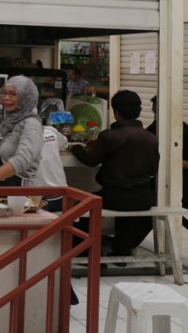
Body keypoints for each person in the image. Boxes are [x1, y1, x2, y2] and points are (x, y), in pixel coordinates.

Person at [71, 90, 159, 257]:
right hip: (143, 198)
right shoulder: (151, 138)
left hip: (114, 197)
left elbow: (91, 160)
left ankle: (87, 252)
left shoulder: (109, 136)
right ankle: (121, 250)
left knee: (78, 208)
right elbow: (154, 168)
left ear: (116, 112)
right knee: (128, 210)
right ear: (139, 111)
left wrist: (76, 148)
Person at [0, 75, 44, 186]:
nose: (6, 98)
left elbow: (23, 160)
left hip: (20, 190)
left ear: (25, 98)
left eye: (13, 94)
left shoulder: (32, 124)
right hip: (1, 189)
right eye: (4, 93)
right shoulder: (9, 122)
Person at [146, 95, 188, 228]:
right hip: (158, 182)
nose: (155, 116)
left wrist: (172, 163)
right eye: (154, 113)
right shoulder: (153, 128)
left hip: (182, 183)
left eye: (156, 112)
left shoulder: (184, 131)